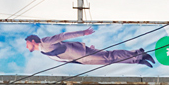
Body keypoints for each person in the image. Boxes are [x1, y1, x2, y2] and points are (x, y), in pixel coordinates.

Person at [24, 27, 156, 68]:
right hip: (82, 58)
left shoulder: (44, 42)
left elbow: (62, 36)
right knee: (108, 60)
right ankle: (138, 60)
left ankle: (139, 54)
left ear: (32, 41)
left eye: (27, 43)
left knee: (109, 56)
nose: (26, 46)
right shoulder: (43, 51)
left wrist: (83, 33)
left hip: (83, 54)